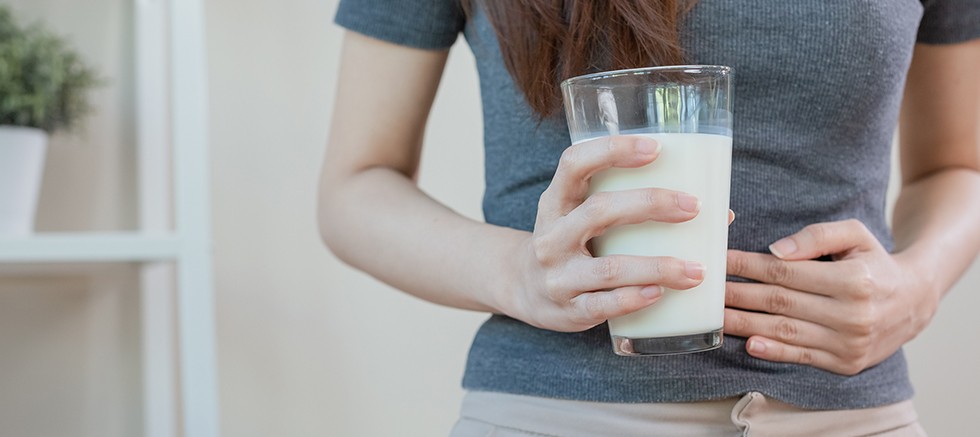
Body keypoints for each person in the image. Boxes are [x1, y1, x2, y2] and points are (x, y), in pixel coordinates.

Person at [319, 0, 980, 435]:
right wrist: (517, 272)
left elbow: (958, 164)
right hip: (556, 413)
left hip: (852, 414)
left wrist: (918, 286)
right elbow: (355, 186)